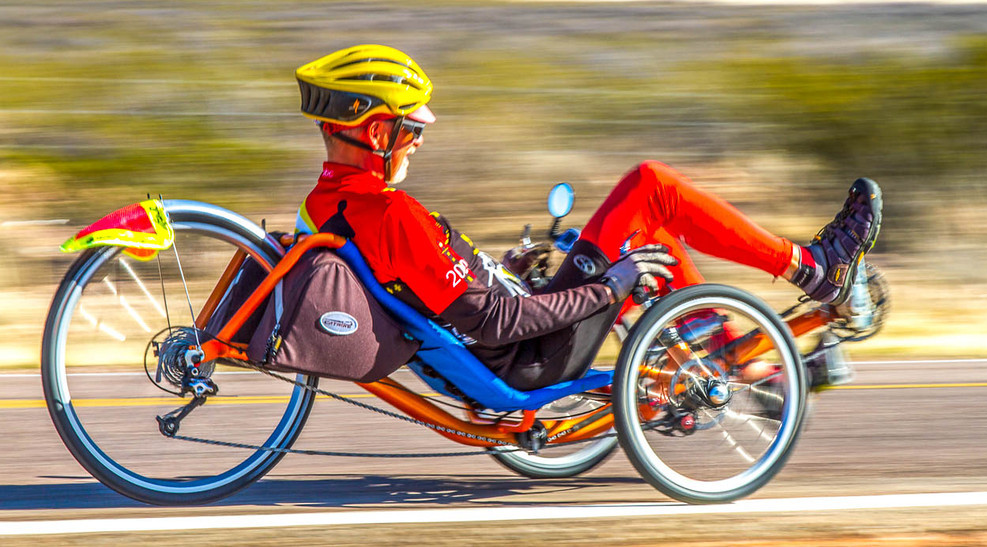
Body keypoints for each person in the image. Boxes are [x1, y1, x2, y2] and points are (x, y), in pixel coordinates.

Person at [294, 44, 882, 390]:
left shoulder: (328, 205)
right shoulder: (392, 211)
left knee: (642, 230)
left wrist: (510, 271)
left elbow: (447, 292)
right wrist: (609, 285)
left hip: (515, 330)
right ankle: (812, 270)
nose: (418, 141)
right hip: (535, 354)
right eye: (412, 128)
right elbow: (494, 323)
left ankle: (733, 360)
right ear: (376, 130)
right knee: (652, 187)